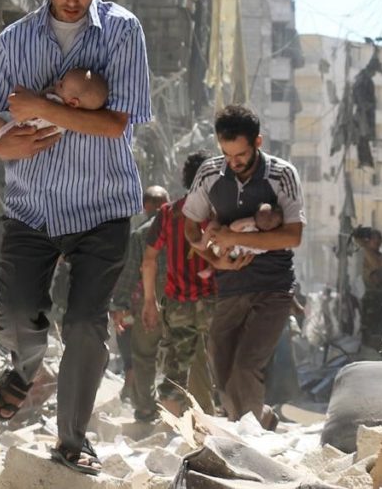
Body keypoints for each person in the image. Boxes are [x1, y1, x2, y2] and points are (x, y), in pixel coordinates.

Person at [0, 0, 151, 476]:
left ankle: (72, 439)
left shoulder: (123, 32)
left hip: (103, 207)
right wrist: (5, 143)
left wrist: (39, 108)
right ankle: (23, 370)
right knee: (17, 313)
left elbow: (117, 123)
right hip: (33, 207)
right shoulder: (14, 40)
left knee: (85, 325)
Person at [182, 105, 305, 431]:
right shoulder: (209, 173)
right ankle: (259, 417)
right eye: (227, 154)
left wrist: (233, 236)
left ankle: (248, 439)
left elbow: (293, 236)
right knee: (220, 363)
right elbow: (190, 226)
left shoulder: (282, 175)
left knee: (247, 365)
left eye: (241, 155)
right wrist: (214, 259)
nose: (233, 162)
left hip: (274, 286)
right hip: (231, 285)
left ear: (257, 142)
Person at [140, 151, 217, 419]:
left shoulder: (168, 213)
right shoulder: (219, 214)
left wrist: (149, 301)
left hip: (178, 303)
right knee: (214, 364)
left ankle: (178, 426)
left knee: (176, 368)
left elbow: (149, 260)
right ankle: (208, 419)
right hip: (214, 302)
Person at [109, 185, 169, 412]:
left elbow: (130, 273)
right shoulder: (182, 228)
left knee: (144, 354)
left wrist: (119, 305)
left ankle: (145, 408)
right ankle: (184, 406)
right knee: (183, 350)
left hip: (149, 297)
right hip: (181, 296)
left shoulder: (141, 233)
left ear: (145, 206)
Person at [0, 68, 109, 152]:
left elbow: (38, 103)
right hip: (14, 130)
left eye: (61, 85)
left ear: (73, 102)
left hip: (12, 129)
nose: (57, 83)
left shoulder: (56, 108)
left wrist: (40, 96)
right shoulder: (70, 120)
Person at [351, 227, 382, 351]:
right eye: (374, 239)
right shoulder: (364, 253)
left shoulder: (379, 255)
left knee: (380, 328)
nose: (377, 241)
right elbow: (375, 270)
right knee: (369, 328)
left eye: (379, 239)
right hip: (369, 296)